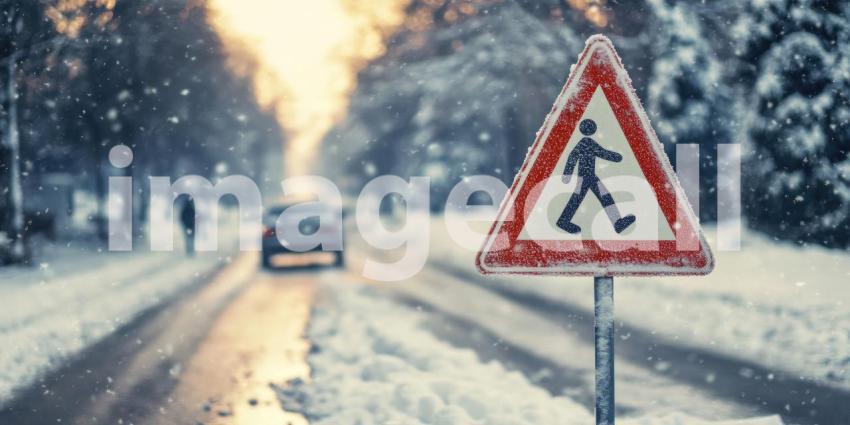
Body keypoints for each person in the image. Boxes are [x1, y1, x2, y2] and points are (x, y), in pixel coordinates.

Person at [556, 119, 636, 234]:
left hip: (589, 176)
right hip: (586, 177)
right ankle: (563, 221)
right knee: (591, 197)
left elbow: (573, 157)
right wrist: (616, 157)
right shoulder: (587, 143)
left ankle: (617, 223)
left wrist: (567, 174)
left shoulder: (585, 143)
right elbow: (601, 153)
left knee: (590, 197)